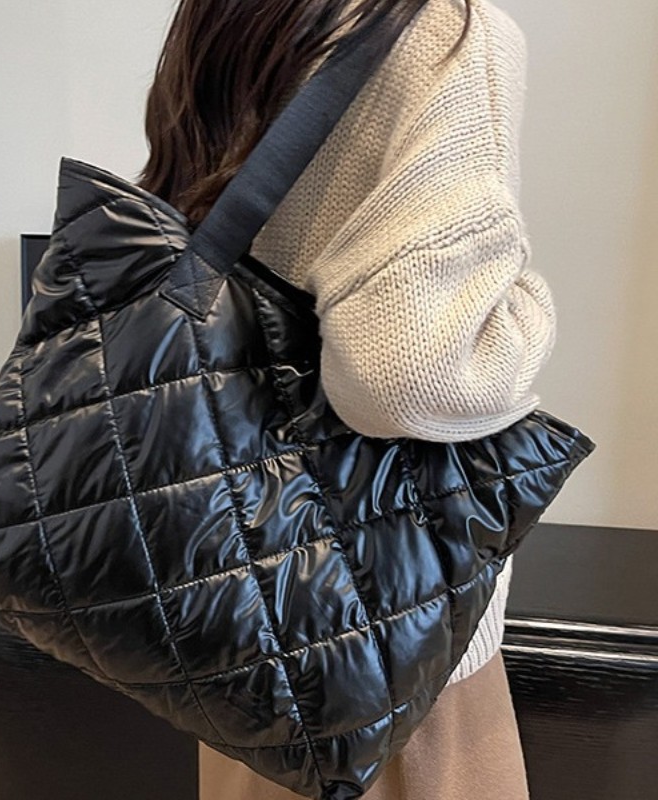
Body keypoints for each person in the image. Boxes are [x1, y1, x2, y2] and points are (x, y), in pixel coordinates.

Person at [138, 0, 550, 797]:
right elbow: (405, 378)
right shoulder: (452, 34)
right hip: (392, 625)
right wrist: (529, 312)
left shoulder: (234, 13)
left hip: (233, 599)